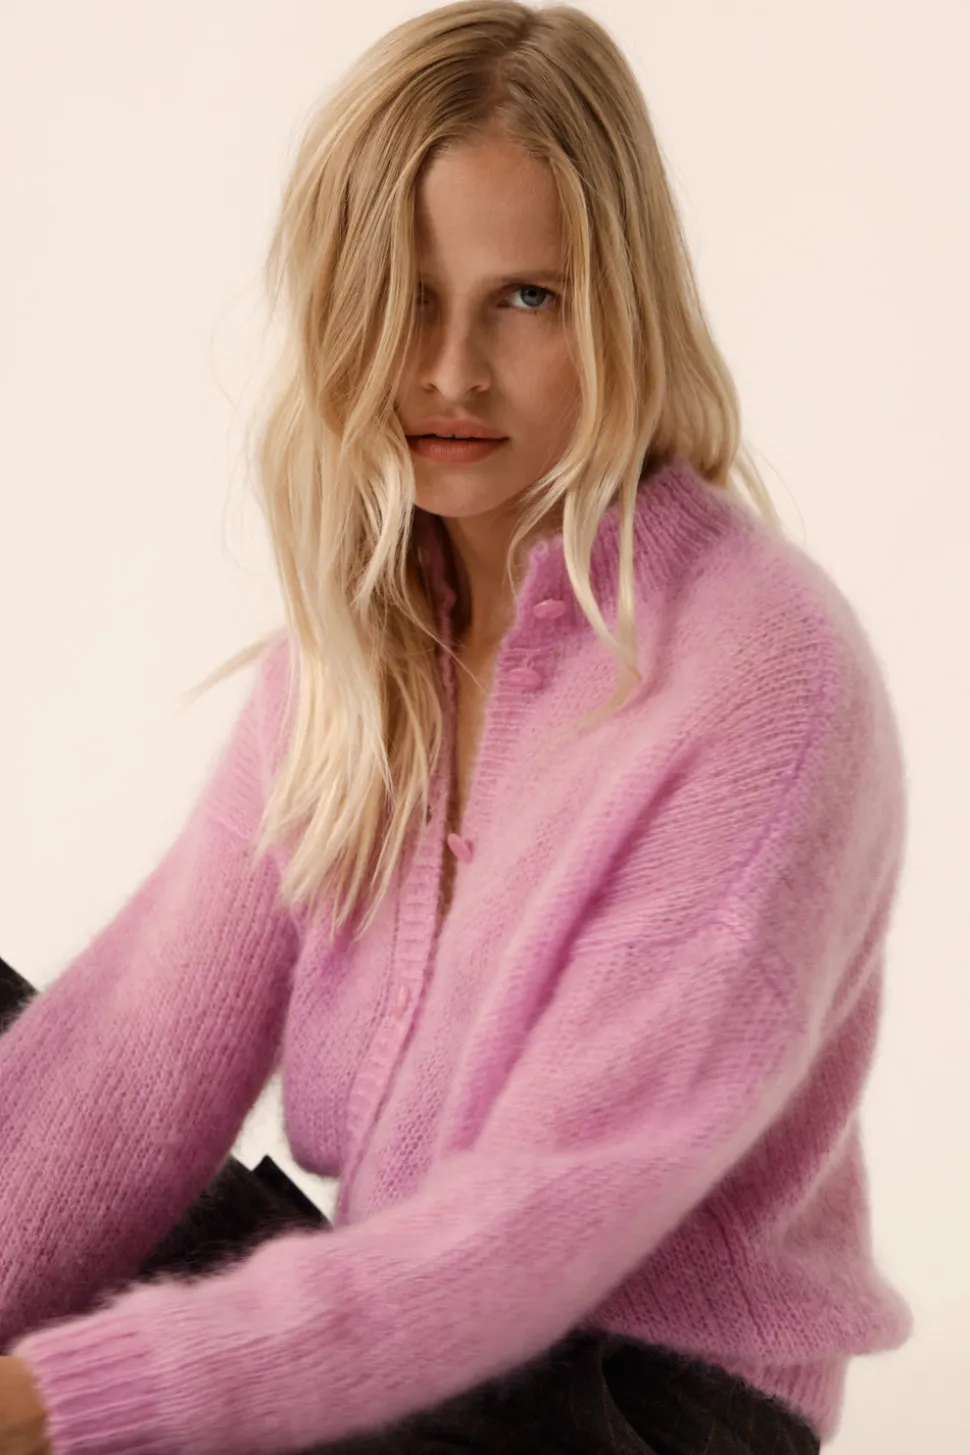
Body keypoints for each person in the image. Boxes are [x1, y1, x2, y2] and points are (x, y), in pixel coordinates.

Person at [0, 3, 912, 1452]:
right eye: (402, 296)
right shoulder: (355, 662)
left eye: (524, 298)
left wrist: (58, 1402)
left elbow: (538, 1219)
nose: (449, 371)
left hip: (631, 1406)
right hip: (417, 1342)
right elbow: (123, 1067)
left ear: (623, 308)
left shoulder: (757, 669)